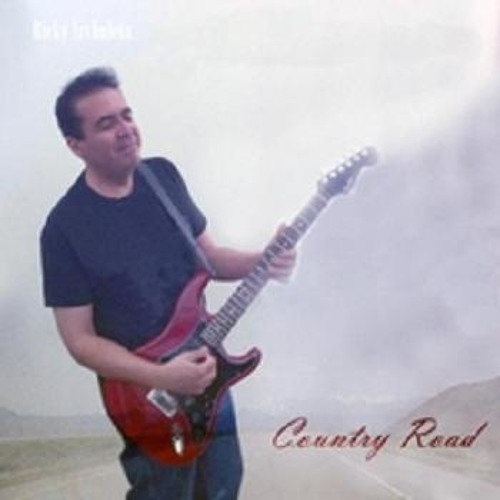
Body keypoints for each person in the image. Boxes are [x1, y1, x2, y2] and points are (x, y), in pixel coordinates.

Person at [40, 67, 296, 499]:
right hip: (146, 399)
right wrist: (163, 375)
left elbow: (209, 259)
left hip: (208, 372)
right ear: (75, 144)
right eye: (106, 123)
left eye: (127, 115)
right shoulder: (64, 228)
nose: (125, 129)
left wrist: (263, 260)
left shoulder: (163, 178)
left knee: (223, 489)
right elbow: (79, 341)